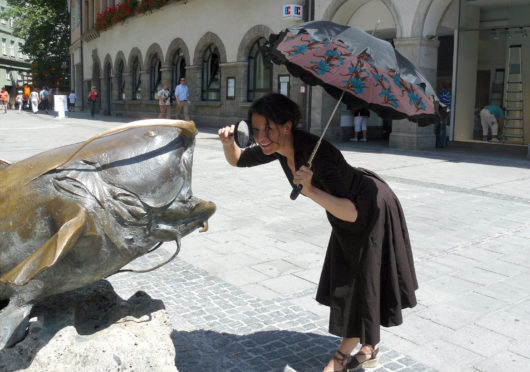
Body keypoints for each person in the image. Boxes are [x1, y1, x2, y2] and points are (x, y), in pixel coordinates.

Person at [218, 94, 418, 372]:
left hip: (369, 209)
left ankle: (339, 361)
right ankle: (369, 348)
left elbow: (353, 212)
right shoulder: (277, 147)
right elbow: (238, 160)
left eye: (268, 129)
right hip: (344, 214)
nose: (260, 137)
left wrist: (309, 189)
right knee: (351, 277)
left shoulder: (319, 154)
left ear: (287, 127)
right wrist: (229, 144)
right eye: (255, 130)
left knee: (362, 283)